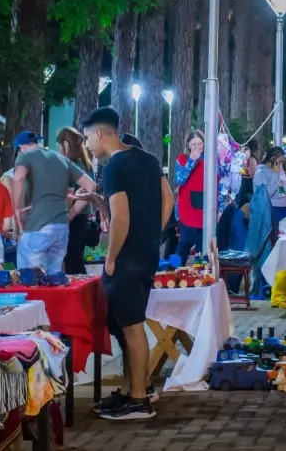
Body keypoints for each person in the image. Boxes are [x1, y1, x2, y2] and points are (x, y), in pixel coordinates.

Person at [82, 107, 172, 421]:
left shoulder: (114, 167)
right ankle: (134, 388)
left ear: (99, 133)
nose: (87, 145)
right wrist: (153, 232)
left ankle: (139, 400)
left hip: (126, 258)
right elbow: (168, 198)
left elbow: (121, 218)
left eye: (87, 138)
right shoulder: (148, 159)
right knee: (125, 325)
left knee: (132, 328)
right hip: (146, 253)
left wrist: (110, 258)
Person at [11, 130, 96, 273]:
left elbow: (18, 178)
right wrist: (72, 212)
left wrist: (17, 209)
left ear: (21, 148)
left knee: (28, 276)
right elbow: (91, 185)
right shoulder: (62, 159)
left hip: (37, 224)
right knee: (54, 276)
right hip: (61, 227)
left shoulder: (24, 156)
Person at [57, 126, 98, 274]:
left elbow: (87, 191)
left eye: (59, 146)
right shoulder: (87, 165)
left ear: (66, 145)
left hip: (74, 218)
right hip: (83, 219)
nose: (58, 150)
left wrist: (70, 215)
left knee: (73, 263)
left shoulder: (70, 165)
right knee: (75, 259)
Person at [174, 130, 207, 261]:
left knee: (202, 246)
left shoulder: (209, 160)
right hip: (186, 206)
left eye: (200, 144)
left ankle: (201, 271)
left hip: (204, 206)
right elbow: (180, 180)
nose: (197, 147)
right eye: (194, 144)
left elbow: (218, 183)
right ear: (188, 145)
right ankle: (173, 269)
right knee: (185, 242)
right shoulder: (182, 159)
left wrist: (220, 207)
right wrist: (192, 160)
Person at [253, 147, 286, 241]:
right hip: (271, 209)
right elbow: (265, 194)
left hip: (284, 208)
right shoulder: (260, 172)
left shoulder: (280, 170)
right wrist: (276, 177)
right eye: (279, 162)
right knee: (276, 238)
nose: (281, 164)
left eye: (282, 162)